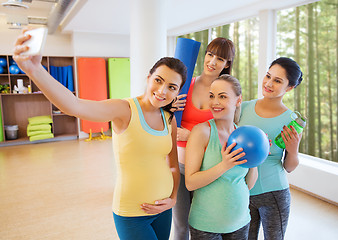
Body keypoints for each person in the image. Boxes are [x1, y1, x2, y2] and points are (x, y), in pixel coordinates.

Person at [13, 29, 187, 240]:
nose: (162, 91)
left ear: (177, 92)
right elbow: (74, 106)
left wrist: (173, 198)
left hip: (163, 209)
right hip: (132, 212)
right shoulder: (124, 109)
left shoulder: (169, 118)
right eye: (158, 80)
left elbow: (172, 166)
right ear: (148, 77)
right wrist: (34, 70)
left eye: (172, 87)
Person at [172, 37, 236, 240]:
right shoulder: (184, 85)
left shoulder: (226, 94)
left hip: (209, 169)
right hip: (179, 165)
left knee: (204, 225)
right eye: (210, 54)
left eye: (220, 58)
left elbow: (228, 131)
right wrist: (169, 109)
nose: (212, 61)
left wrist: (192, 137)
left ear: (227, 64)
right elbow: (163, 121)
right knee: (181, 225)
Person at [237, 57, 303, 240]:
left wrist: (294, 148)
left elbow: (289, 166)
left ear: (289, 88)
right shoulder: (242, 108)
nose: (268, 83)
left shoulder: (292, 120)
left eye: (277, 81)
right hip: (242, 191)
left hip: (274, 193)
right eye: (268, 76)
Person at [185, 74, 258, 239]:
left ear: (238, 100)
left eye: (222, 96)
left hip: (241, 222)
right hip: (206, 226)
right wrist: (224, 165)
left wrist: (255, 158)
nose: (215, 102)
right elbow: (190, 183)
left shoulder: (242, 134)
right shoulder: (201, 132)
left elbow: (249, 185)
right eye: (212, 96)